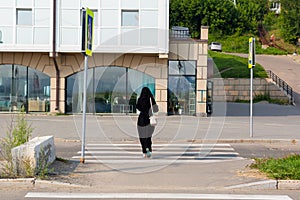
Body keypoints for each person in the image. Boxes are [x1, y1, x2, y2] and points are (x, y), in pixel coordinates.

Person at [136, 87, 158, 158]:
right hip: (150, 119)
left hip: (141, 119)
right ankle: (149, 149)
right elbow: (156, 109)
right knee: (148, 136)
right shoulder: (151, 99)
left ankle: (144, 151)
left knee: (142, 135)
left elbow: (138, 107)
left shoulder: (140, 99)